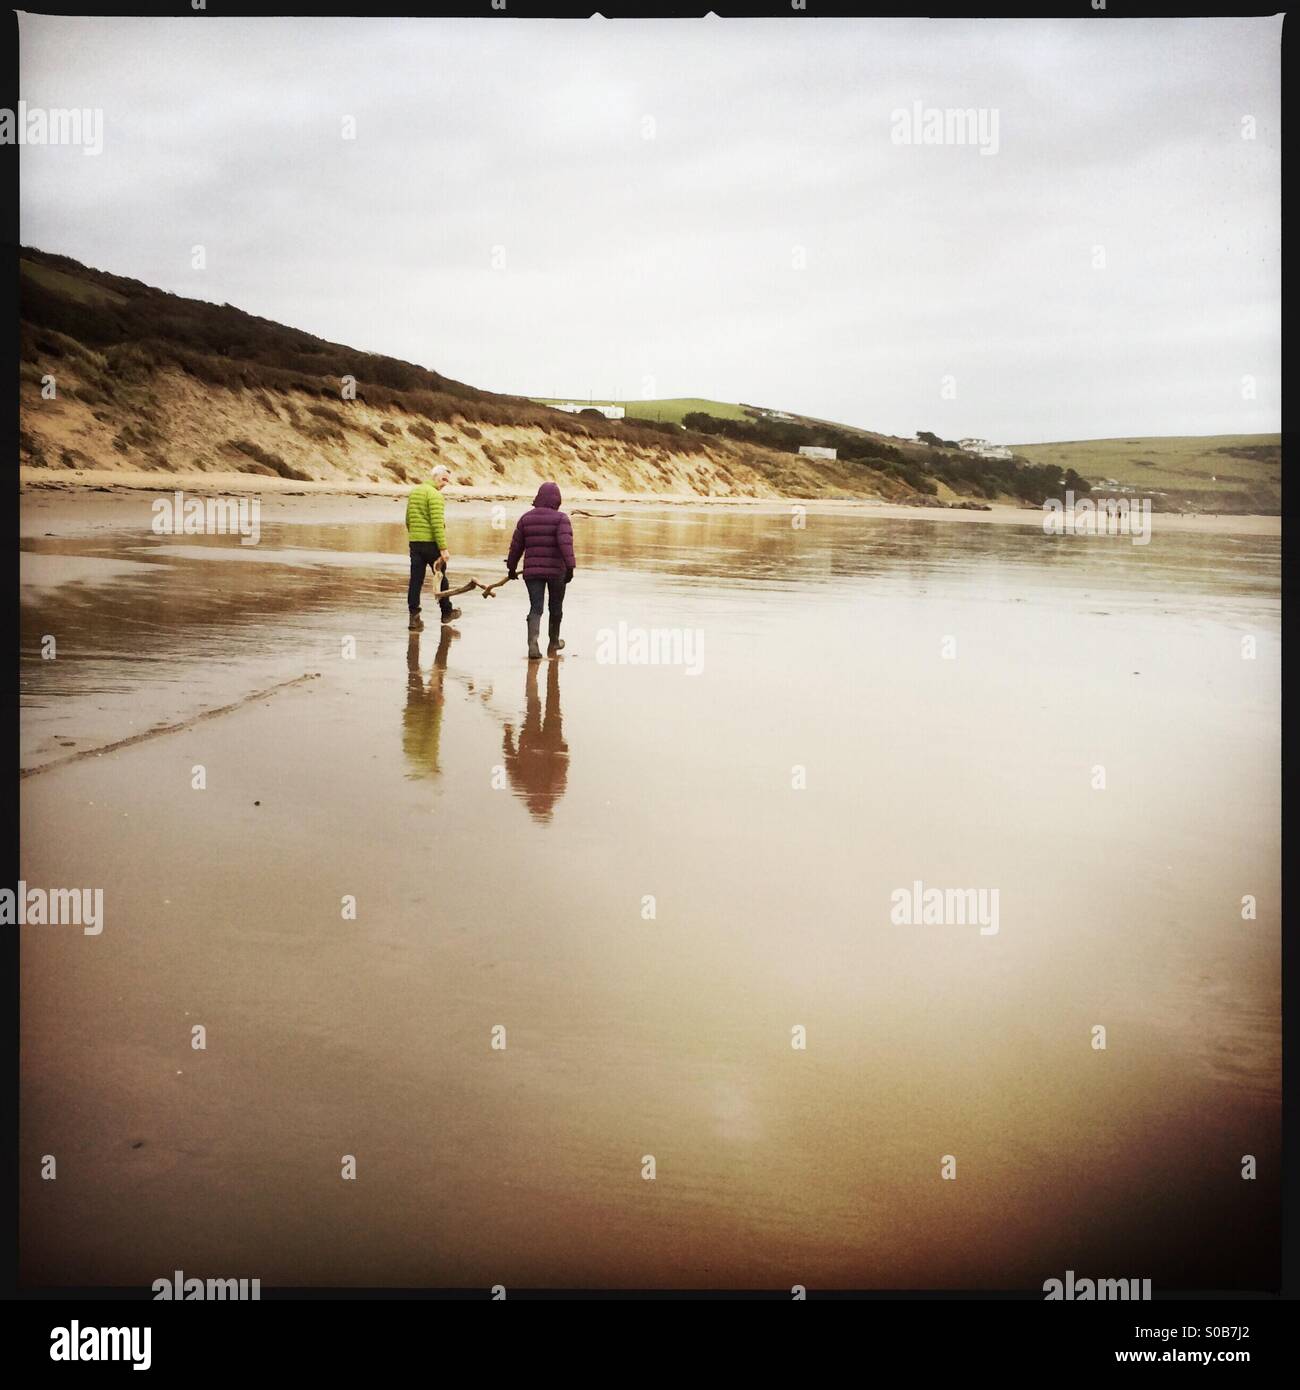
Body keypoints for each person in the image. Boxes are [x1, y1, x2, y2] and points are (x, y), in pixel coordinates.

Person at [505, 481, 575, 660]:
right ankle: (554, 642)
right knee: (556, 607)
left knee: (536, 607)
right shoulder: (561, 519)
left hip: (532, 571)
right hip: (556, 572)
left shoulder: (526, 518)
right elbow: (565, 545)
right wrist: (570, 567)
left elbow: (516, 547)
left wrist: (511, 568)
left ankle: (533, 646)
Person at [405, 463, 460, 632]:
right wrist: (443, 548)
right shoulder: (435, 495)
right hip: (431, 544)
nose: (445, 483)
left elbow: (408, 519)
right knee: (441, 576)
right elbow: (437, 524)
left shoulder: (414, 492)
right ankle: (446, 612)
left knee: (416, 580)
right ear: (434, 477)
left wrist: (414, 535)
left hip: (415, 543)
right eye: (443, 479)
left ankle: (414, 618)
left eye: (447, 481)